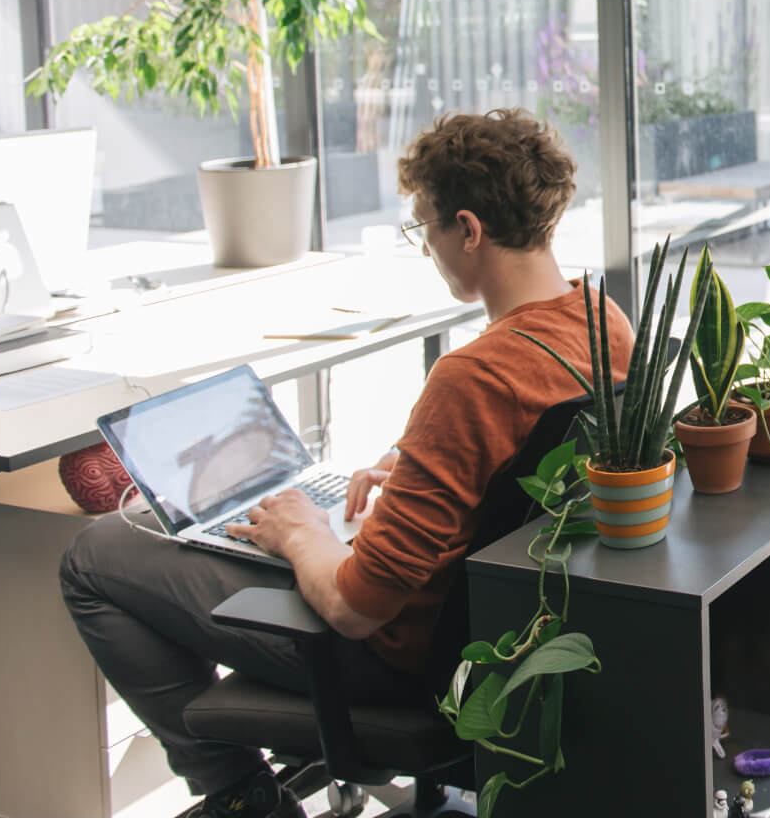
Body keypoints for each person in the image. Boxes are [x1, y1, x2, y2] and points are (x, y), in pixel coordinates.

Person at [59, 108, 632, 817]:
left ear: (469, 230)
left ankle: (239, 792)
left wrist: (301, 531)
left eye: (425, 227)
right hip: (497, 633)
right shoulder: (604, 322)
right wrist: (415, 463)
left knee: (96, 555)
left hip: (392, 658)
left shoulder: (470, 377)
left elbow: (356, 606)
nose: (427, 246)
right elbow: (514, 442)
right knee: (205, 520)